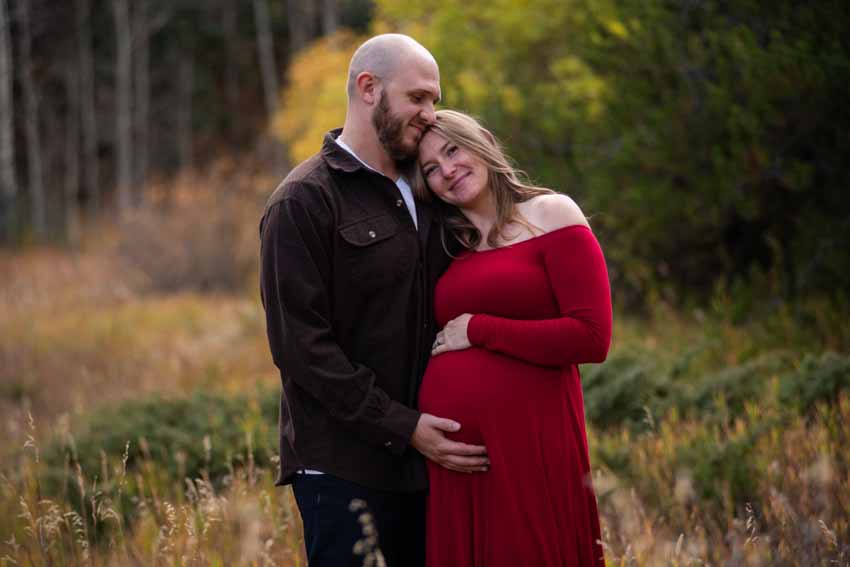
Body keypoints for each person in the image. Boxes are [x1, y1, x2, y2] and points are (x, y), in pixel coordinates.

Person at [258, 37, 488, 566]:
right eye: (418, 98)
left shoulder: (431, 188)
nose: (431, 115)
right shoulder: (303, 201)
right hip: (344, 469)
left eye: (435, 100)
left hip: (429, 466)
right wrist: (402, 426)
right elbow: (301, 348)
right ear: (368, 88)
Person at [413, 110, 612, 566]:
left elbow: (592, 337)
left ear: (483, 140)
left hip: (532, 442)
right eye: (431, 169)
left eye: (453, 150)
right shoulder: (449, 246)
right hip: (457, 462)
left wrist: (479, 329)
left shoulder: (552, 214)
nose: (448, 170)